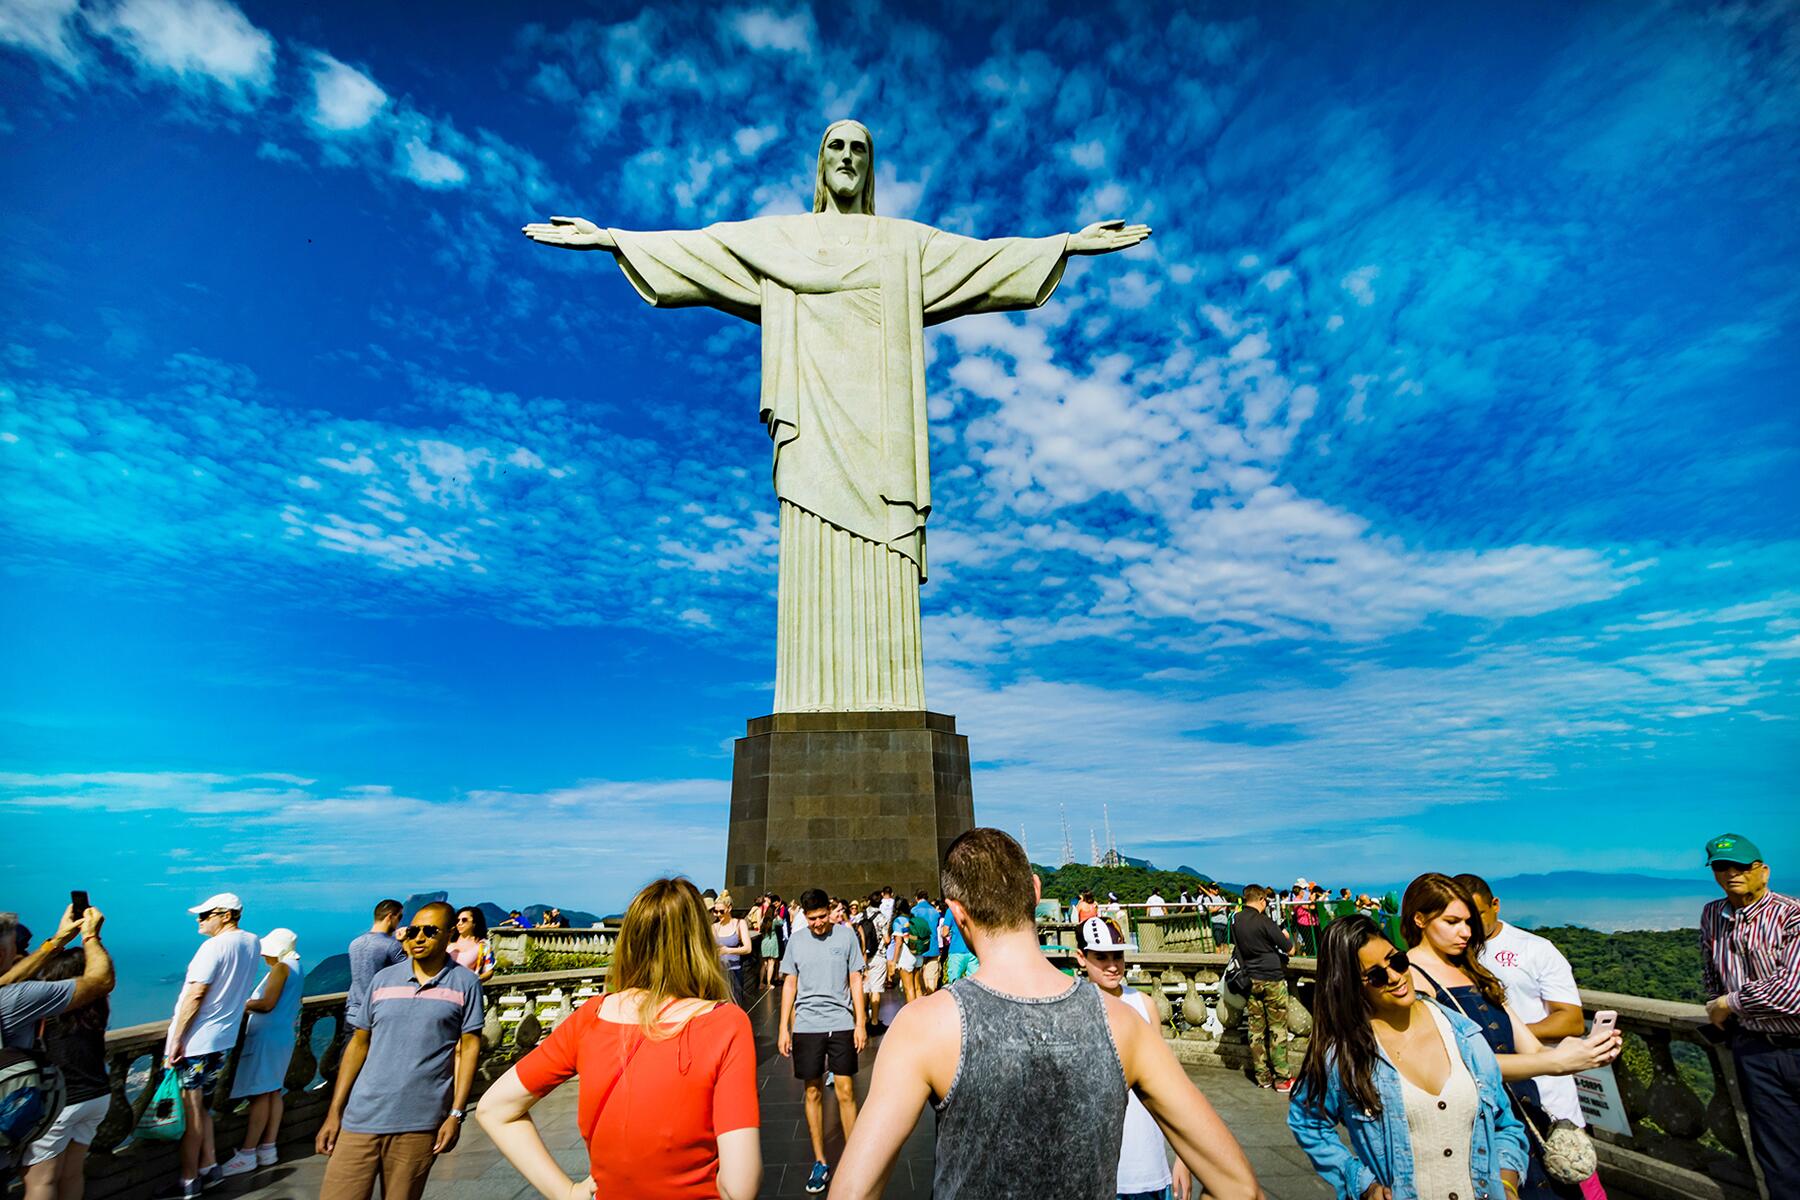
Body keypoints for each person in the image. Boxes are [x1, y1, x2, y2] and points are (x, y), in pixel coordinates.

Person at [828, 828, 1262, 1200]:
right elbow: (1241, 1187)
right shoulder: (1123, 1022)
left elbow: (854, 1190)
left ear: (956, 913)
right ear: (1035, 892)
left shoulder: (924, 1027)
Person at [479, 878, 760, 1200]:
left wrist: (566, 1192)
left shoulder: (593, 1014)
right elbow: (739, 1186)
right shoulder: (726, 1023)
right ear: (700, 941)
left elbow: (494, 1108)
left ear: (630, 939)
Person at [1401, 874, 1621, 1200]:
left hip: (1524, 1114)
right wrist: (1556, 1061)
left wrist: (1582, 1051)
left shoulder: (1473, 969)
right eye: (1452, 921)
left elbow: (1528, 1044)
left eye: (1468, 922)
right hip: (1475, 1127)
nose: (1465, 932)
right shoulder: (1410, 977)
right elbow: (1451, 1066)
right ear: (1420, 919)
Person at [1288, 914, 1529, 1200]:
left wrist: (1507, 1183)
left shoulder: (1464, 1036)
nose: (1394, 976)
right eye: (1375, 976)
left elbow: (1506, 1124)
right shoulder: (1345, 1056)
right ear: (1352, 985)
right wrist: (1362, 1184)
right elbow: (1307, 1121)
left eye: (1397, 960)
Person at [315, 902, 482, 1200]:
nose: (419, 938)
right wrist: (334, 1112)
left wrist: (456, 1114)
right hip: (361, 1118)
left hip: (419, 1121)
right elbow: (358, 1044)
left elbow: (468, 1048)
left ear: (449, 933)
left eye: (430, 931)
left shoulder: (465, 984)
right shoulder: (383, 980)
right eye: (414, 931)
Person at [1459, 873, 1608, 1200]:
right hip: (1489, 1103)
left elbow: (1570, 1021)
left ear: (1495, 906)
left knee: (1573, 1180)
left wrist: (1505, 1034)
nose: (1467, 928)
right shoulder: (1451, 959)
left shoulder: (1535, 949)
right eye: (1459, 918)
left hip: (1549, 1097)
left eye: (1477, 915)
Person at [1698, 833, 1800, 1196]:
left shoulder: (1792, 914)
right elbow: (1711, 973)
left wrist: (1728, 1004)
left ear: (1763, 871)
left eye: (1742, 866)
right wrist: (1717, 1000)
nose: (1732, 873)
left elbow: (1793, 993)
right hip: (1755, 1050)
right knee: (1778, 1159)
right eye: (1722, 867)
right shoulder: (1713, 914)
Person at [1074, 916, 1192, 1200]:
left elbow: (1169, 1084)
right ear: (1081, 957)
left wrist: (1184, 1157)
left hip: (1146, 1161)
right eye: (1101, 957)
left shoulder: (1144, 1004)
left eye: (1118, 956)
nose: (1112, 965)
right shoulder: (1072, 1008)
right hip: (1092, 1165)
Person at [164, 893, 260, 1199]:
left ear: (227, 915)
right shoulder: (253, 943)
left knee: (191, 1114)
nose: (199, 919)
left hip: (196, 1043)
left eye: (205, 915)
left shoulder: (213, 947)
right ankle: (210, 1166)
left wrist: (177, 1039)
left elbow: (196, 994)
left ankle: (189, 1182)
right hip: (223, 1039)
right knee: (203, 1107)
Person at [779, 887, 867, 1194]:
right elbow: (789, 983)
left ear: (830, 911)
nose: (818, 923)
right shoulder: (797, 941)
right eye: (812, 918)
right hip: (806, 1025)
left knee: (845, 1091)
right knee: (813, 1091)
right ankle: (820, 1161)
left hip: (841, 1023)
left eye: (822, 917)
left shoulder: (845, 937)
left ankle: (855, 1159)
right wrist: (782, 1028)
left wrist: (860, 1022)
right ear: (805, 915)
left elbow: (856, 978)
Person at [16, 944, 111, 1200]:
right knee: (72, 1173)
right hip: (97, 1095)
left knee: (40, 1180)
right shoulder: (96, 1009)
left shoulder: (49, 1014)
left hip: (62, 1100)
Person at [220, 929, 304, 1177]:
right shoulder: (298, 967)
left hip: (267, 1038)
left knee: (259, 1095)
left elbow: (267, 1004)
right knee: (272, 1091)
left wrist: (240, 1004)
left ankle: (247, 1153)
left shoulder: (281, 968)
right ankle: (268, 1147)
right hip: (283, 1035)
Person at [0, 906, 111, 1049]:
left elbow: (8, 980)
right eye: (16, 946)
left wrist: (57, 941)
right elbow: (101, 981)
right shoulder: (15, 998)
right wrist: (90, 937)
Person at [1230, 885, 1294, 1092]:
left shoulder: (1236, 920)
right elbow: (1289, 949)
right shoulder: (1264, 921)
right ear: (1261, 899)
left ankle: (1262, 1076)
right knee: (1277, 1029)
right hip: (1272, 978)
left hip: (1250, 980)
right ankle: (1282, 1077)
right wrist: (1284, 934)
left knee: (1255, 1030)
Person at [346, 900, 406, 1027]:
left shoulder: (355, 943)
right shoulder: (392, 945)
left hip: (353, 1013)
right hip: (377, 1015)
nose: (399, 922)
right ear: (390, 917)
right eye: (399, 917)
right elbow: (411, 972)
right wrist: (405, 942)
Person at [713, 896, 752, 1007]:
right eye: (715, 911)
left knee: (735, 1005)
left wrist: (728, 950)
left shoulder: (739, 924)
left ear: (729, 908)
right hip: (719, 973)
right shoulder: (714, 927)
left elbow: (748, 948)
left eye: (721, 911)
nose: (718, 914)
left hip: (734, 972)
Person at [446, 908, 495, 983]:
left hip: (465, 990)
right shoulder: (448, 941)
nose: (459, 923)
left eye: (464, 920)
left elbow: (489, 971)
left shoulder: (483, 945)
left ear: (474, 923)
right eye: (457, 920)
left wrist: (473, 982)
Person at [910, 892, 942, 994]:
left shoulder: (914, 910)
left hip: (919, 947)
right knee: (931, 975)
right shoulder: (934, 911)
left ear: (916, 898)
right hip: (933, 946)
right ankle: (931, 995)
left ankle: (924, 998)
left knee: (918, 976)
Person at [940, 902, 977, 985]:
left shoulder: (951, 910)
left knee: (954, 983)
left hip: (956, 951)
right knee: (974, 983)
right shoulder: (972, 908)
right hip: (972, 951)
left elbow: (945, 932)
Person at [758, 895, 787, 991]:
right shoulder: (774, 921)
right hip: (772, 941)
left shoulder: (764, 921)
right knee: (771, 963)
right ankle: (769, 983)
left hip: (764, 942)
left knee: (764, 963)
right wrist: (777, 915)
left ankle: (761, 983)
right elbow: (782, 923)